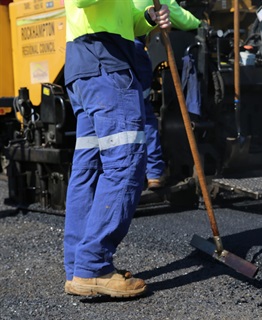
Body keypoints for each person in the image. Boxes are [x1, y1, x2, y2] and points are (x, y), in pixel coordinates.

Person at [63, 0, 171, 298]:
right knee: (125, 165)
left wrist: (147, 18)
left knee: (89, 169)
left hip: (91, 68)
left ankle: (78, 266)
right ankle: (93, 266)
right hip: (105, 65)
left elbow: (123, 20)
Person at [132, 0, 200, 190]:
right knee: (143, 113)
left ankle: (131, 175)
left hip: (104, 51)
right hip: (135, 49)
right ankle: (153, 173)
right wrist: (201, 24)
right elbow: (183, 19)